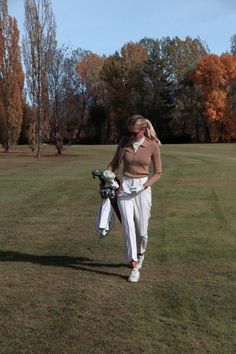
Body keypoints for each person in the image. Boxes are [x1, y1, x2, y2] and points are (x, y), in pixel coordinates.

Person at [107, 114, 162, 282]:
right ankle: (134, 265)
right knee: (128, 227)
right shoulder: (124, 143)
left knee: (142, 231)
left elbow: (158, 173)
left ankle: (141, 253)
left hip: (143, 188)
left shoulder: (152, 145)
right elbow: (114, 164)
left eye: (134, 132)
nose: (131, 135)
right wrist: (107, 174)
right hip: (124, 187)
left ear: (143, 130)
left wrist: (144, 186)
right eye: (129, 132)